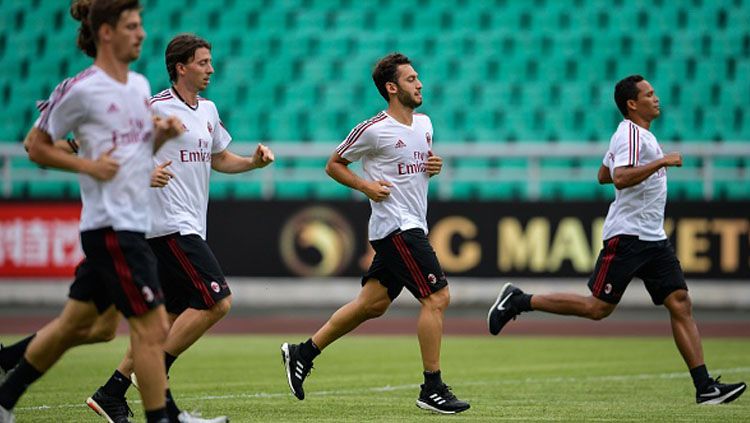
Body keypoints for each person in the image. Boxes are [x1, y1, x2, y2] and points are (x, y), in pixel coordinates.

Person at [487, 75, 747, 405]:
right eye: (649, 94)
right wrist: (662, 162)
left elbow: (603, 175)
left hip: (653, 238)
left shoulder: (634, 136)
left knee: (680, 302)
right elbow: (620, 179)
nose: (656, 98)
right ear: (632, 104)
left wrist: (633, 162)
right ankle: (519, 300)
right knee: (597, 309)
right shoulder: (631, 134)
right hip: (628, 236)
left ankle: (705, 386)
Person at [0, 1, 184, 422]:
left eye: (141, 26)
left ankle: (4, 398)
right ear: (106, 32)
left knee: (80, 327)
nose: (141, 34)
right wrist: (87, 165)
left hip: (131, 223)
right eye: (132, 26)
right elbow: (36, 145)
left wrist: (157, 138)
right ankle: (163, 418)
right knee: (152, 328)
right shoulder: (81, 89)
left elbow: (133, 156)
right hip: (111, 228)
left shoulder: (138, 85)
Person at [83, 33, 274, 423]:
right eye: (203, 62)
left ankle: (112, 392)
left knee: (163, 321)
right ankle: (154, 373)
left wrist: (253, 163)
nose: (211, 69)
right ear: (180, 67)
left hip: (188, 225)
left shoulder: (207, 110)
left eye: (210, 61)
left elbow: (219, 158)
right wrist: (145, 170)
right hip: (165, 226)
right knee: (217, 300)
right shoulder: (154, 108)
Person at [281, 53, 470, 414]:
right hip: (397, 227)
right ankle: (432, 387)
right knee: (437, 297)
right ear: (392, 87)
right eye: (412, 79)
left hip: (411, 224)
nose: (420, 84)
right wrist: (367, 186)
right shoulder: (374, 129)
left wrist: (434, 165)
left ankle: (302, 352)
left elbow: (418, 165)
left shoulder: (425, 124)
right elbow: (333, 164)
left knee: (373, 304)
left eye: (418, 78)